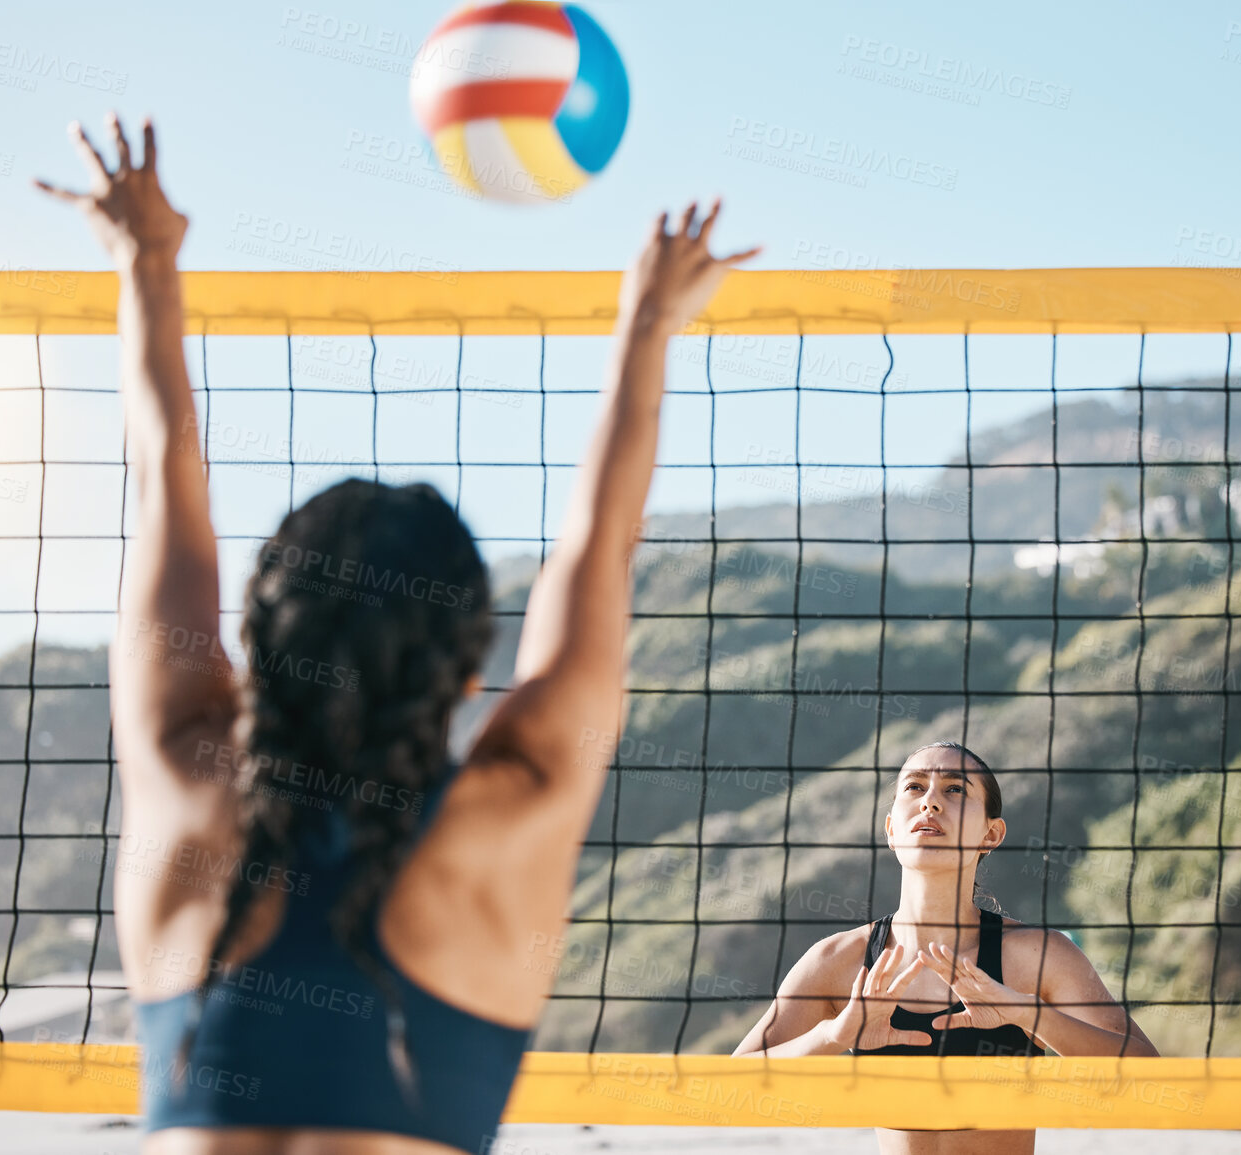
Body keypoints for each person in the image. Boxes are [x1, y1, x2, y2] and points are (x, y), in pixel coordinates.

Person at [37, 113, 757, 1155]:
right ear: (466, 669)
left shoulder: (178, 774)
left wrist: (144, 258)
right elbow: (601, 548)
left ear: (257, 639)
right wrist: (648, 322)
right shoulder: (514, 808)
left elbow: (160, 483)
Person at [733, 741, 1158, 1154]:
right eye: (915, 787)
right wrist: (833, 1034)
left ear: (991, 833)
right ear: (891, 829)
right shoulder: (838, 960)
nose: (930, 802)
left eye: (955, 789)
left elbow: (1151, 1081)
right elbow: (730, 1087)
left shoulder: (1037, 955)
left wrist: (1029, 1014)